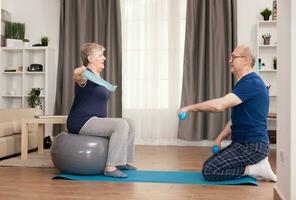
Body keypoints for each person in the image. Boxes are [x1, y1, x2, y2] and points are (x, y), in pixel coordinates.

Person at [178, 45, 277, 182]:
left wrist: (188, 108)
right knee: (210, 164)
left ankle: (257, 169)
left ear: (246, 60)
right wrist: (220, 138)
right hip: (244, 143)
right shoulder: (245, 83)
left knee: (209, 170)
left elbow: (219, 106)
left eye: (234, 57)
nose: (230, 60)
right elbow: (236, 119)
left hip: (253, 145)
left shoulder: (251, 83)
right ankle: (258, 166)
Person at [67, 43, 136, 178]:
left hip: (95, 120)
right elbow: (78, 79)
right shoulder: (86, 75)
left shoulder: (99, 79)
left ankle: (121, 161)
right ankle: (110, 167)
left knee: (130, 122)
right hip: (81, 121)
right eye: (100, 55)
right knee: (121, 125)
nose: (104, 58)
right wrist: (77, 74)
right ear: (90, 59)